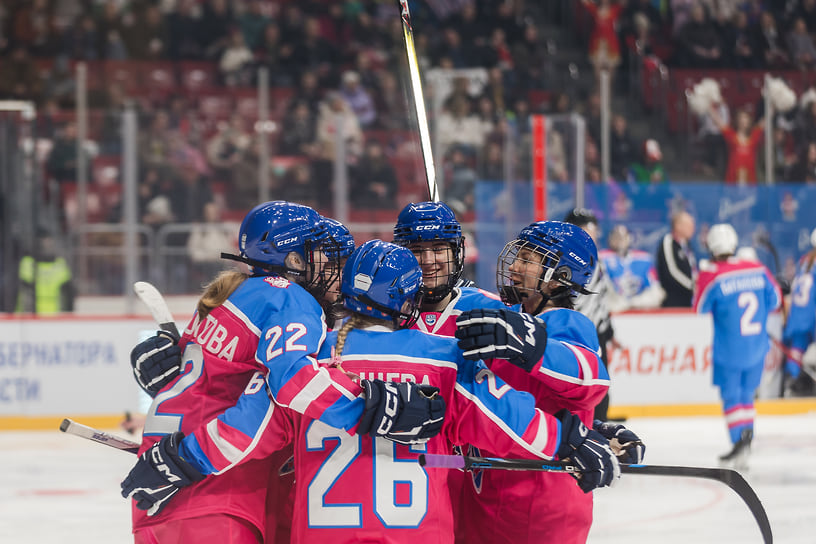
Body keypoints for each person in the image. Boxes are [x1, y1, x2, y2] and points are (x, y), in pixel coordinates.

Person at [153, 239, 620, 543]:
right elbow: (507, 419)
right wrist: (570, 441)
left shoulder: (304, 361)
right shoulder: (440, 358)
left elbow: (248, 424)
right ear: (409, 297)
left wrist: (183, 456)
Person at [120, 202, 442, 542]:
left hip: (168, 490)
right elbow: (290, 384)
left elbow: (194, 383)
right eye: (325, 257)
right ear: (294, 261)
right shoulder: (290, 298)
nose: (336, 272)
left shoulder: (232, 294)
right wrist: (374, 407)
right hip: (211, 491)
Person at [454, 220, 644, 544]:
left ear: (560, 278)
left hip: (541, 509)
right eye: (518, 257)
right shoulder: (507, 320)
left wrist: (532, 345)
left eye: (527, 260)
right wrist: (595, 428)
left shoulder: (567, 322)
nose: (513, 267)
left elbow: (589, 377)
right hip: (485, 497)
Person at [694, 223, 782, 469]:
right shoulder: (759, 269)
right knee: (747, 397)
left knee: (732, 397)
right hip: (757, 348)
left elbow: (699, 307)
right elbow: (775, 301)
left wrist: (703, 275)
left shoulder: (712, 275)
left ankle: (738, 443)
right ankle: (747, 439)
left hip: (729, 350)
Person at [563, 208, 623, 421]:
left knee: (599, 390)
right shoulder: (568, 260)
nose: (593, 233)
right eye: (587, 229)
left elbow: (599, 299)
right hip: (577, 336)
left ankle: (597, 432)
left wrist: (609, 331)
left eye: (594, 229)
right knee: (585, 390)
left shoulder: (593, 258)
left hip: (595, 334)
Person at [781, 227, 816, 396]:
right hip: (810, 317)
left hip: (797, 316)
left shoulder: (805, 263)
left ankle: (790, 384)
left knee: (796, 351)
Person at [601, 224, 665, 309]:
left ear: (629, 238)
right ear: (610, 239)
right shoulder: (602, 259)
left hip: (640, 311)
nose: (620, 240)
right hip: (614, 310)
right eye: (616, 236)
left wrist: (637, 302)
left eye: (623, 236)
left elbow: (655, 291)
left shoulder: (644, 259)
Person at [16, 231, 74, 314]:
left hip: (54, 316)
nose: (47, 245)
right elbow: (24, 292)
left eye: (49, 242)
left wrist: (67, 315)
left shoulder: (60, 264)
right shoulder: (27, 263)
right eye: (43, 242)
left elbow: (67, 294)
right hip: (30, 316)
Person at [656, 210, 697, 307]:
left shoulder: (687, 245)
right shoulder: (668, 242)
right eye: (689, 225)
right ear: (678, 226)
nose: (693, 229)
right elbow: (672, 271)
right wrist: (692, 286)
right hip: (673, 303)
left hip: (689, 301)